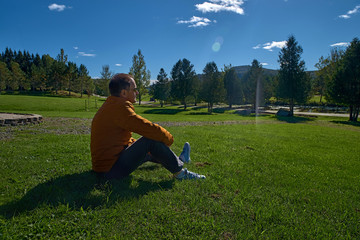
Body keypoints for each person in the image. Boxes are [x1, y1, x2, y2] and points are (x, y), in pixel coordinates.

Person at [90, 73, 206, 180]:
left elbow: (118, 140)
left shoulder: (111, 105)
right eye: (134, 89)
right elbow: (148, 128)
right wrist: (169, 139)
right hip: (110, 171)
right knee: (150, 140)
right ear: (124, 93)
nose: (137, 93)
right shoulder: (119, 108)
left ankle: (180, 160)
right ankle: (180, 173)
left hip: (105, 167)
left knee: (148, 150)